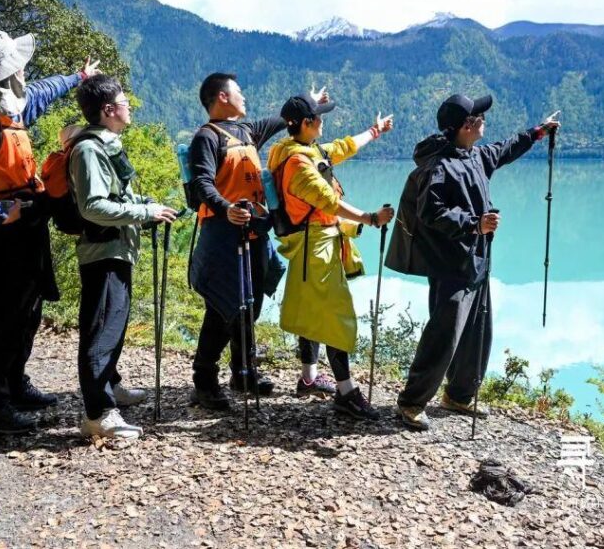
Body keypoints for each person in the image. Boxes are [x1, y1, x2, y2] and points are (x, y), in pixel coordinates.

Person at [0, 30, 99, 435]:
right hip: (4, 234)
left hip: (26, 224)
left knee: (27, 313)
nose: (25, 69)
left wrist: (78, 77)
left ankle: (13, 384)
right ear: (7, 71)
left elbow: (44, 90)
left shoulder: (11, 102)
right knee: (4, 319)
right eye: (18, 63)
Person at [386, 94, 559, 431]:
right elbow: (430, 212)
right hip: (450, 264)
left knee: (478, 330)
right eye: (480, 117)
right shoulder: (439, 167)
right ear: (466, 125)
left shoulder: (476, 155)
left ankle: (459, 395)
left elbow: (506, 148)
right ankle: (410, 402)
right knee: (444, 332)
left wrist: (539, 131)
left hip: (477, 259)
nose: (484, 122)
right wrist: (473, 224)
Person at [187, 73, 322, 411]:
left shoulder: (246, 131)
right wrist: (226, 208)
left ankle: (243, 373)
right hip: (223, 233)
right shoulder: (207, 137)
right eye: (239, 91)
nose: (244, 97)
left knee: (251, 304)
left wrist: (310, 102)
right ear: (222, 96)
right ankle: (204, 381)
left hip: (254, 232)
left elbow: (282, 119)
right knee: (222, 307)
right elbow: (202, 182)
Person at [266, 93, 394, 420]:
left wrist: (375, 131)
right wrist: (369, 218)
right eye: (319, 117)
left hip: (315, 242)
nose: (323, 121)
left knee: (312, 310)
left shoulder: (299, 149)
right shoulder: (298, 164)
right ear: (307, 123)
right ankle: (346, 393)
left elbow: (343, 147)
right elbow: (328, 201)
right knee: (336, 316)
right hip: (317, 248)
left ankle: (309, 378)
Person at [69, 75, 178, 440]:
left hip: (117, 249)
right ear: (108, 110)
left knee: (113, 324)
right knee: (101, 332)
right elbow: (92, 206)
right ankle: (98, 414)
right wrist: (145, 213)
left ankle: (111, 386)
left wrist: (147, 207)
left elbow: (117, 197)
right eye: (124, 102)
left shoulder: (106, 145)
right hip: (102, 252)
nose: (129, 107)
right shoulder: (89, 150)